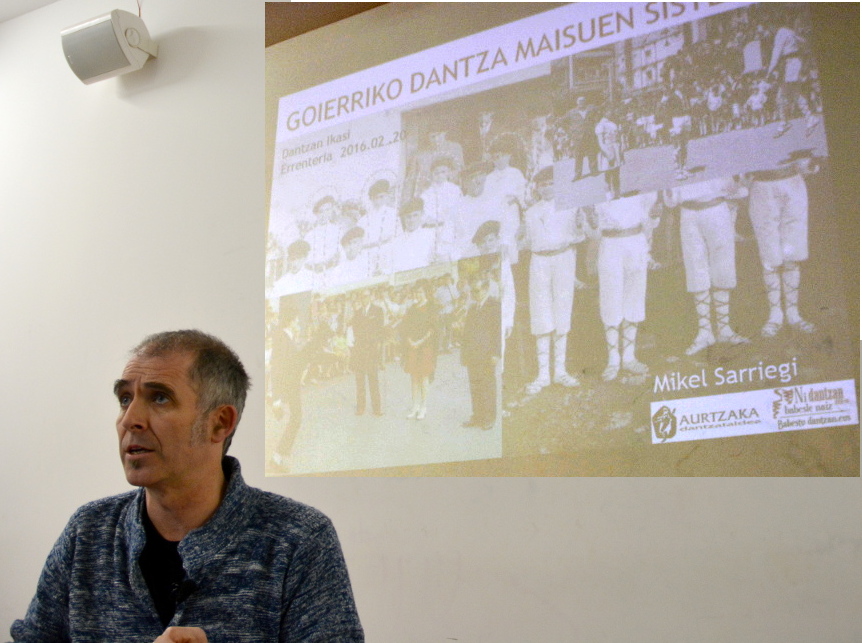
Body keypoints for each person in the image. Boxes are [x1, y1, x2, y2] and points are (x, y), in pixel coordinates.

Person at [11, 330, 363, 642]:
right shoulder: (89, 532)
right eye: (125, 399)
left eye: (159, 398)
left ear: (220, 423)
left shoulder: (297, 539)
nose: (130, 419)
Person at [664, 177, 749, 355]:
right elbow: (670, 199)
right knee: (696, 269)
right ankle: (705, 332)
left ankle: (724, 329)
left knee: (723, 267)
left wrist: (738, 182)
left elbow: (735, 185)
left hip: (717, 209)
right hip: (689, 213)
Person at [521, 166, 584, 394]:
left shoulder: (570, 207)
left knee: (562, 312)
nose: (547, 188)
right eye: (543, 185)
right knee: (541, 312)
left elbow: (578, 236)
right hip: (539, 261)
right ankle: (543, 374)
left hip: (563, 258)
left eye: (551, 184)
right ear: (537, 188)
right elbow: (527, 241)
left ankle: (560, 370)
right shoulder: (530, 213)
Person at [459, 277, 501, 431]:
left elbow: (497, 331)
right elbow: (467, 333)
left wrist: (496, 353)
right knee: (475, 385)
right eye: (472, 291)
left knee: (487, 386)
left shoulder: (494, 306)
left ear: (485, 289)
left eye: (476, 291)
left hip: (487, 354)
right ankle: (477, 416)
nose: (474, 294)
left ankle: (489, 418)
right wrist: (464, 354)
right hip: (473, 354)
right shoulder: (472, 308)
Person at [401, 281, 438, 420]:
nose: (418, 295)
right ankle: (415, 406)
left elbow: (432, 329)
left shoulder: (431, 307)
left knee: (424, 377)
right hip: (413, 346)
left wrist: (420, 341)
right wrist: (410, 341)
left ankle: (423, 406)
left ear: (426, 292)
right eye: (416, 292)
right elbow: (406, 327)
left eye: (421, 292)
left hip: (425, 346)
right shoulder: (412, 308)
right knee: (414, 377)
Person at [350, 289, 385, 416]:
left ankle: (377, 408)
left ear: (371, 297)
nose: (364, 299)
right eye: (362, 297)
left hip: (371, 350)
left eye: (366, 296)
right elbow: (355, 329)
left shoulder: (378, 310)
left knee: (373, 379)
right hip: (360, 350)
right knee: (360, 380)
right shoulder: (358, 313)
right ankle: (361, 407)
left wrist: (377, 346)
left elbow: (380, 330)